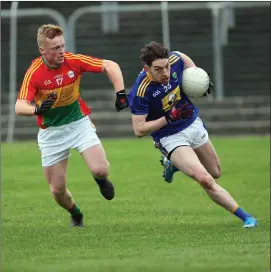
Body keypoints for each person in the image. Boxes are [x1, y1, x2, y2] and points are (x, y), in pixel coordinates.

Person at [127, 41, 258, 228]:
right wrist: (168, 118)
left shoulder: (174, 59)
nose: (165, 72)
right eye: (158, 69)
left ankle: (173, 164)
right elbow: (139, 129)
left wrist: (198, 76)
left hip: (192, 123)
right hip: (170, 136)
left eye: (167, 67)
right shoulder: (141, 90)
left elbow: (181, 56)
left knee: (215, 172)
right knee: (205, 179)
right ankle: (247, 218)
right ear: (146, 69)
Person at [15, 24, 129, 227]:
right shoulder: (34, 72)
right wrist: (37, 109)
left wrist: (120, 93)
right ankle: (76, 214)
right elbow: (19, 106)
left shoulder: (73, 61)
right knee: (57, 190)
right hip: (51, 133)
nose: (61, 52)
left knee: (101, 169)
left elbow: (110, 65)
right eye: (55, 48)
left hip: (78, 124)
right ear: (43, 50)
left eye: (62, 46)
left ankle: (100, 180)